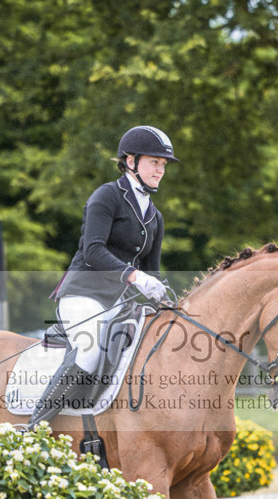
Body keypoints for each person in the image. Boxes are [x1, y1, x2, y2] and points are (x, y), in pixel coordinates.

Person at [27, 125, 178, 428]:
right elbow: (93, 250)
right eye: (154, 162)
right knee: (89, 352)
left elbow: (153, 271)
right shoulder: (107, 196)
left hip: (120, 303)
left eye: (163, 165)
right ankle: (34, 428)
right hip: (83, 293)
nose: (160, 170)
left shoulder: (155, 216)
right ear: (131, 161)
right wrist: (133, 277)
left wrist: (163, 295)